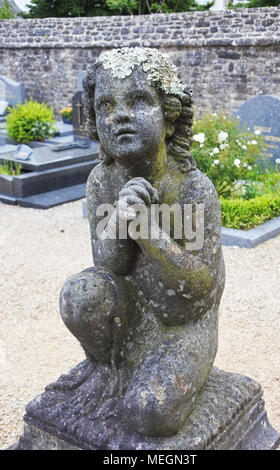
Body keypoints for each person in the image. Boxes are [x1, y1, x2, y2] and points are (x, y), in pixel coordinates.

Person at [59, 48, 225, 437]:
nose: (120, 115)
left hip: (183, 326)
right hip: (130, 309)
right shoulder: (102, 180)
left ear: (169, 115)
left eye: (138, 101)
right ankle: (107, 367)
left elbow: (200, 289)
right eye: (106, 105)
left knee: (149, 412)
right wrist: (120, 218)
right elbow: (108, 266)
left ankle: (150, 376)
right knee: (79, 293)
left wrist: (148, 231)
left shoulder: (193, 189)